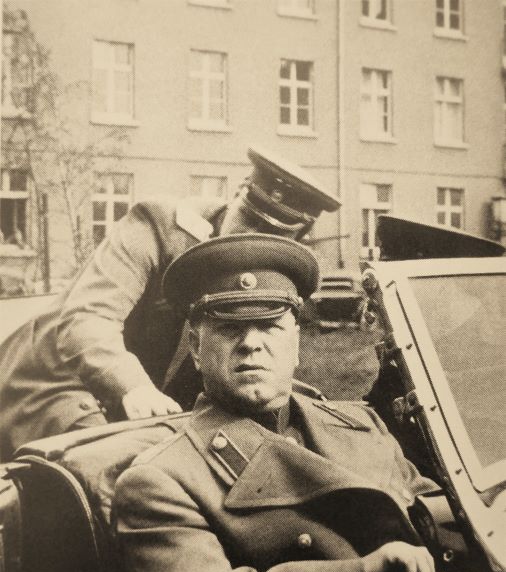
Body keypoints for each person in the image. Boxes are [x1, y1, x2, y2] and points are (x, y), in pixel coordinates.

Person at [114, 234, 441, 572]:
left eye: (270, 325)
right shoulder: (160, 480)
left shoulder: (361, 423)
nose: (251, 343)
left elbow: (433, 515)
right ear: (196, 348)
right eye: (229, 328)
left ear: (296, 343)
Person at [0, 146, 339, 461]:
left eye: (271, 234)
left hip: (143, 405)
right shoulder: (160, 225)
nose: (248, 236)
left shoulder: (271, 271)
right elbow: (87, 318)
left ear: (296, 238)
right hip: (55, 383)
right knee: (113, 473)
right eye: (248, 218)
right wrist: (133, 387)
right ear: (236, 195)